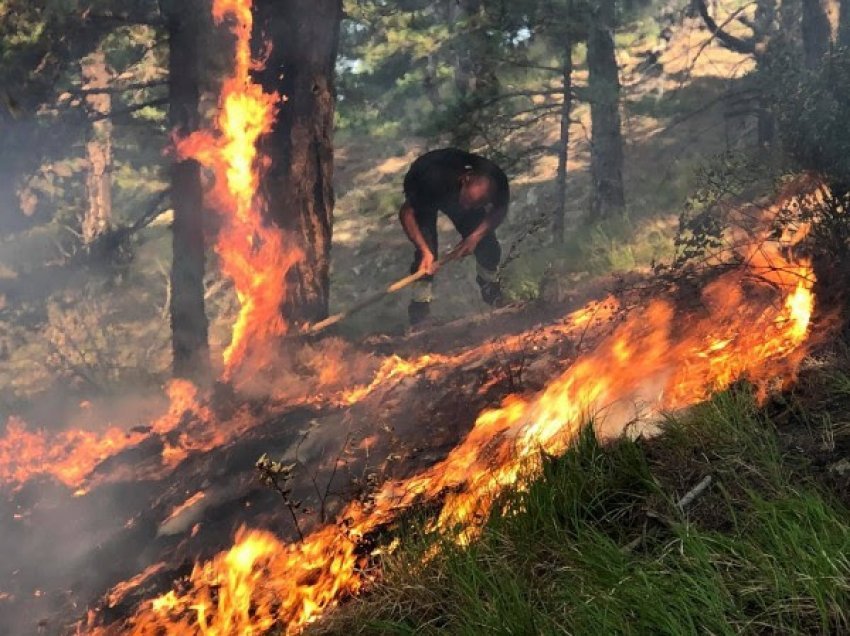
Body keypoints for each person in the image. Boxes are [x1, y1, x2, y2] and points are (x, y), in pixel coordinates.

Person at [398, 147, 510, 327]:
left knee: (487, 244)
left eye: (478, 204)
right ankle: (420, 313)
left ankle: (491, 290)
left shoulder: (497, 179)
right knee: (427, 258)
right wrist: (424, 249)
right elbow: (406, 213)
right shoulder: (431, 181)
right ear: (465, 180)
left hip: (450, 189)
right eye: (468, 202)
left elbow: (499, 210)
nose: (468, 208)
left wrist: (474, 236)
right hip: (423, 185)